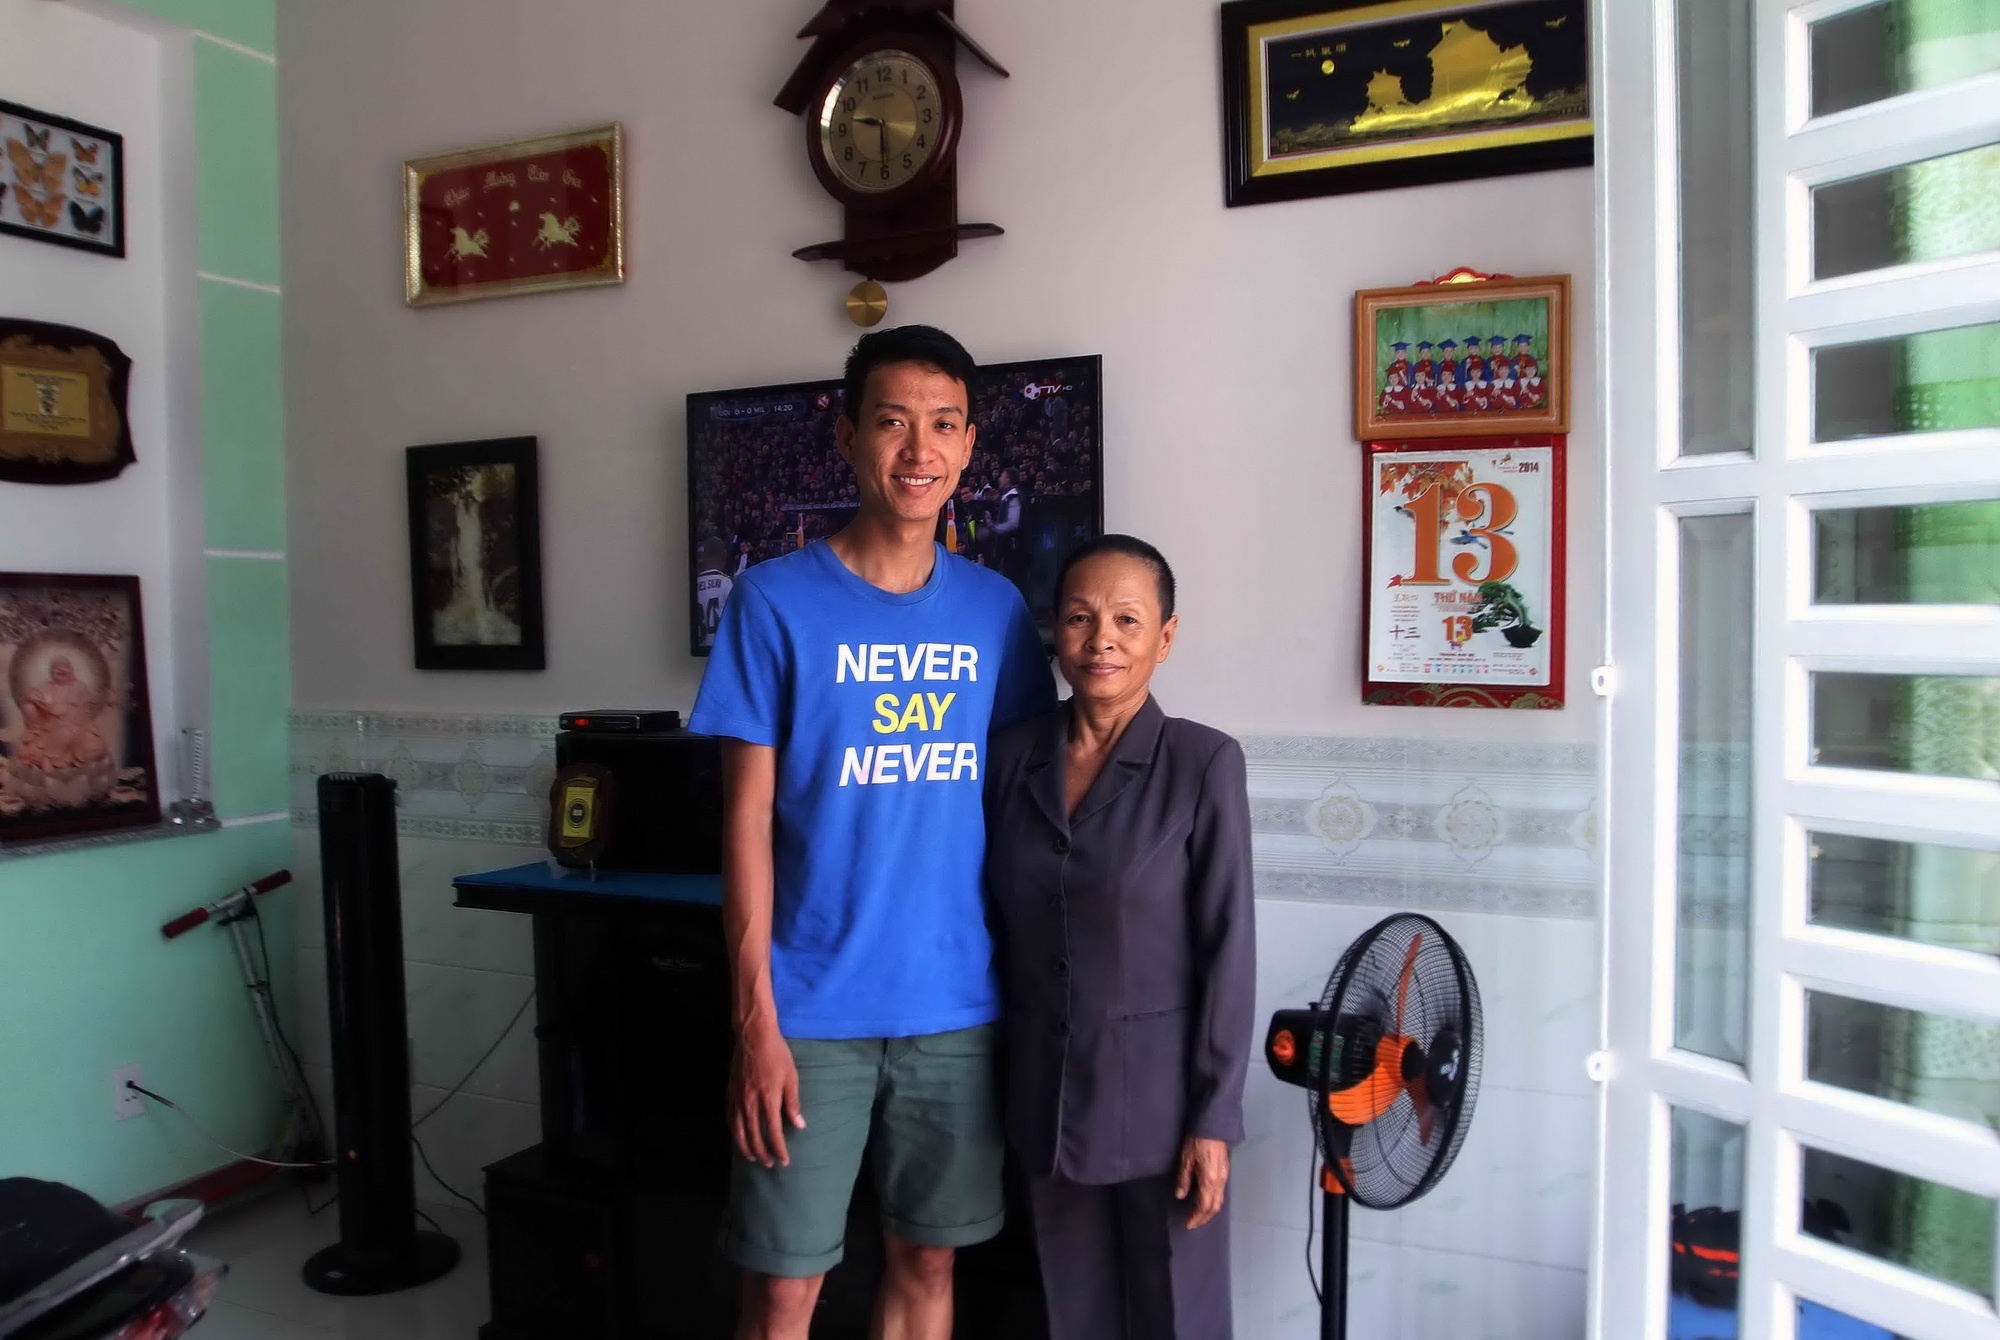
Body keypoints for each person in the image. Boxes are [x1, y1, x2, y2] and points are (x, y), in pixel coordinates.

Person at [690, 325, 1056, 1340]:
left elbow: (1022, 800)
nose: (917, 449)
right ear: (847, 434)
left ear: (970, 445)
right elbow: (743, 818)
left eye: (942, 424)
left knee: (928, 1260)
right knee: (781, 1287)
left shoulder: (996, 612)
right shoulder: (772, 600)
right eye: (892, 421)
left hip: (956, 1006)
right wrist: (755, 1022)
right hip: (809, 1011)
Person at [984, 535, 1256, 1340]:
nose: (1101, 639)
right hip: (1046, 1100)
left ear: (1164, 638)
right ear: (1056, 632)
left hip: (1165, 1112)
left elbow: (1229, 947)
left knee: (1180, 1314)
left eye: (1127, 620)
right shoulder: (1011, 757)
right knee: (1071, 1314)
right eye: (1080, 618)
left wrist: (1216, 1118)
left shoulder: (1203, 762)